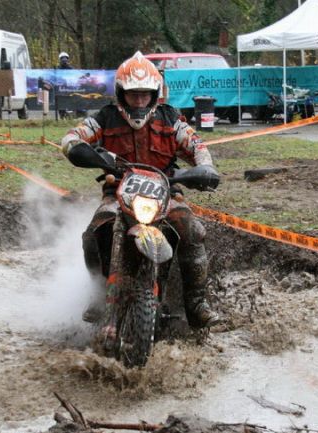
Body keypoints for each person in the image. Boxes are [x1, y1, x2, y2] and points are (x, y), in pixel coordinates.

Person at [61, 51, 219, 328]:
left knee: (192, 230)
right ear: (121, 94)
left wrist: (204, 168)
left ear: (154, 94)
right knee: (93, 232)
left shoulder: (171, 119)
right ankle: (97, 294)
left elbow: (197, 146)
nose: (139, 101)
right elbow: (73, 137)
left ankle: (196, 303)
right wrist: (80, 150)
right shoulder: (105, 117)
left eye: (144, 94)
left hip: (166, 192)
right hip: (117, 191)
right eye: (133, 94)